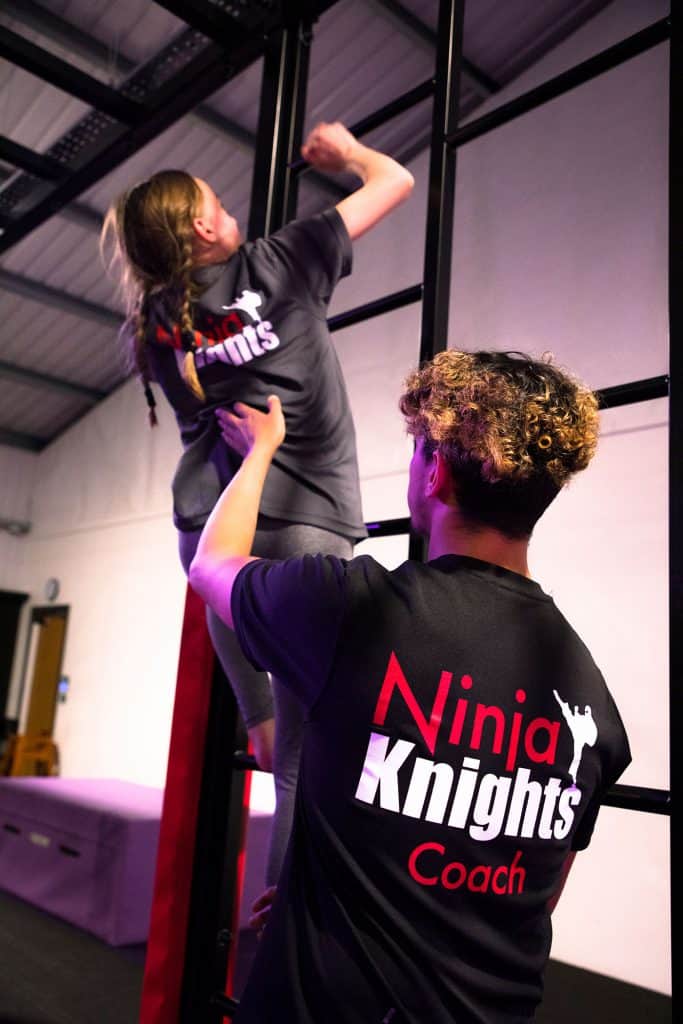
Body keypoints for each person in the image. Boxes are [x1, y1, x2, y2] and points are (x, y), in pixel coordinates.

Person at [188, 348, 632, 1023]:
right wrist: (345, 886)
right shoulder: (593, 703)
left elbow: (212, 563)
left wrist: (262, 449)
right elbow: (528, 897)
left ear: (436, 477)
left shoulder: (350, 608)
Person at [100, 122, 414, 885]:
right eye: (216, 201)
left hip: (212, 542)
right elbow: (396, 180)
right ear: (204, 225)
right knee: (304, 767)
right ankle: (283, 937)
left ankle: (264, 750)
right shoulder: (281, 259)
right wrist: (344, 155)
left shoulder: (158, 323)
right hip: (301, 521)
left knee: (278, 748)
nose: (228, 208)